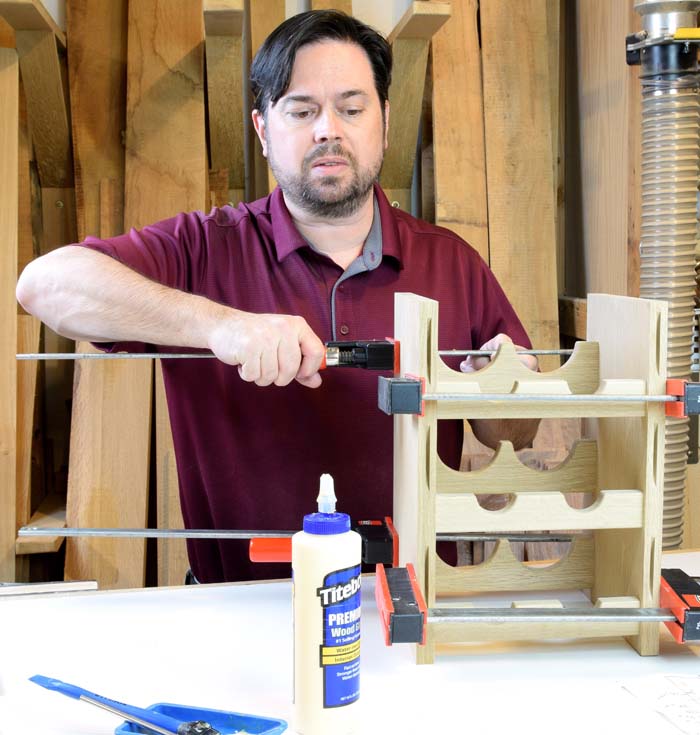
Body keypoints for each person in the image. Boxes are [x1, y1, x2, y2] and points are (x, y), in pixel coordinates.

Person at [16, 10, 539, 583]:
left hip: (407, 603)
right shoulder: (201, 248)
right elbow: (44, 285)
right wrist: (220, 327)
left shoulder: (450, 261)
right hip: (236, 606)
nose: (327, 130)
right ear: (264, 129)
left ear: (384, 123)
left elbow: (514, 434)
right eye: (301, 110)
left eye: (352, 108)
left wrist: (503, 393)